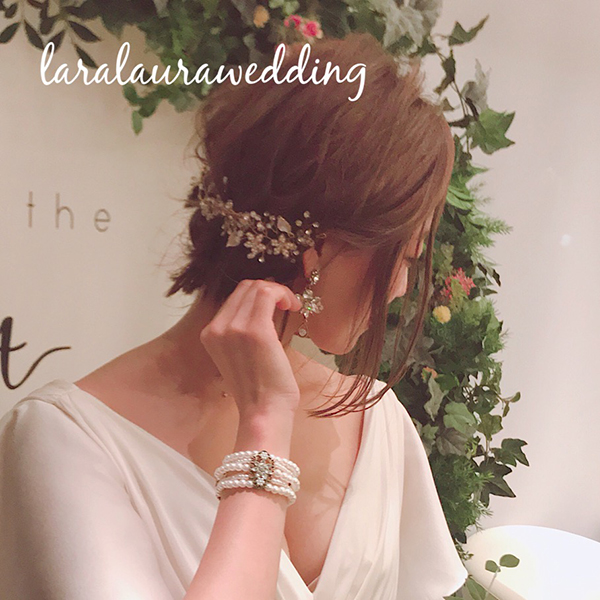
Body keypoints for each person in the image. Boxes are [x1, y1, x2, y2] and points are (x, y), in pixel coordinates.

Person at [0, 32, 468, 599]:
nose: (402, 289)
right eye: (406, 258)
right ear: (320, 249)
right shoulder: (65, 440)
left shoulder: (376, 422)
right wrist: (265, 427)